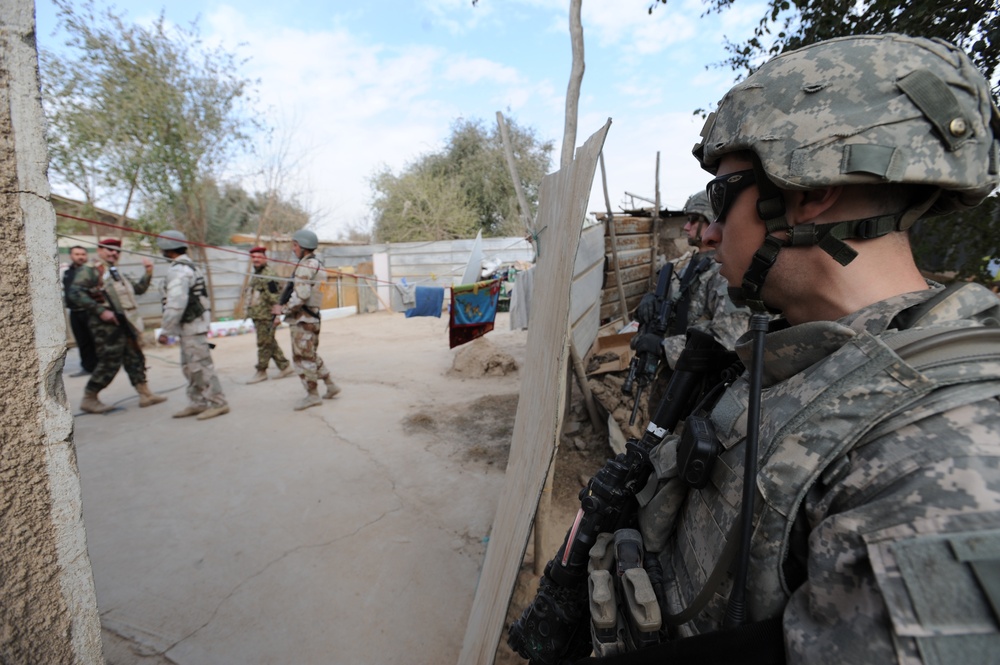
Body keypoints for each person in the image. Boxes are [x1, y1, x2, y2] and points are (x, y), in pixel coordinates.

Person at [515, 34, 1000, 665]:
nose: (710, 231)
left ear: (808, 194)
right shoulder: (798, 353)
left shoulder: (948, 449)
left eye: (723, 197)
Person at [67, 238, 167, 414]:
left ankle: (145, 394)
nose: (113, 253)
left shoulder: (114, 272)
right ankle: (89, 398)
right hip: (106, 326)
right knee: (109, 362)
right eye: (109, 250)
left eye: (117, 251)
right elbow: (74, 293)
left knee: (135, 358)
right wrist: (100, 310)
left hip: (126, 323)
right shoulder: (90, 270)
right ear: (99, 251)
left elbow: (138, 289)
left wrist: (148, 272)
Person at [156, 230, 229, 420]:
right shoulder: (187, 266)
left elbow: (175, 303)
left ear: (167, 249)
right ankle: (197, 402)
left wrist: (166, 330)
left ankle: (218, 402)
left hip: (192, 327)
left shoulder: (179, 270)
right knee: (190, 367)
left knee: (201, 367)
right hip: (189, 326)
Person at [273, 229, 340, 411]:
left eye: (295, 245)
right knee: (311, 355)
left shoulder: (305, 267)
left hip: (303, 319)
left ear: (303, 247)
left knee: (302, 359)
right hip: (313, 317)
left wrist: (282, 309)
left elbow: (301, 296)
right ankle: (331, 385)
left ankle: (312, 395)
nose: (293, 249)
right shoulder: (317, 264)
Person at [244, 246, 294, 384]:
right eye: (253, 257)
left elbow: (275, 298)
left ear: (265, 258)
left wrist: (277, 316)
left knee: (263, 343)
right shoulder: (258, 273)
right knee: (269, 342)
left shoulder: (268, 275)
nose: (256, 260)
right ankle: (284, 366)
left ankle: (261, 371)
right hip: (259, 315)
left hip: (266, 316)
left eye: (259, 257)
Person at [62, 245, 97, 376]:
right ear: (71, 256)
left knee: (96, 339)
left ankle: (101, 367)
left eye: (83, 254)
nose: (80, 257)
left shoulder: (91, 271)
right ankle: (88, 367)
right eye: (77, 254)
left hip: (90, 311)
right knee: (82, 341)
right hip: (75, 312)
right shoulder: (67, 272)